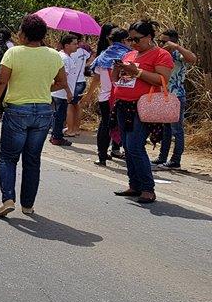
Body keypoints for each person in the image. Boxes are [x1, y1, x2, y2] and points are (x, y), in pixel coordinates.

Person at [0, 14, 68, 217]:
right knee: (32, 159)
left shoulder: (13, 53)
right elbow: (61, 82)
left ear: (23, 34)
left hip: (17, 110)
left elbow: (1, 81)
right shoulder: (54, 55)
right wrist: (43, 86)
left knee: (8, 157)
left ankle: (8, 199)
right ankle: (28, 205)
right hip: (43, 111)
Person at [112, 19, 173, 204]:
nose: (133, 43)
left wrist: (137, 72)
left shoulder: (161, 55)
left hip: (143, 106)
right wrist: (118, 69)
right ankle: (134, 184)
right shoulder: (130, 55)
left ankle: (148, 188)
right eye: (130, 40)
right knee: (128, 147)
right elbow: (117, 79)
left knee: (135, 147)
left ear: (149, 37)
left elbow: (162, 79)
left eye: (136, 39)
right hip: (123, 105)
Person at [153, 29, 197, 169]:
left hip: (176, 96)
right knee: (166, 128)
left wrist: (176, 47)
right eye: (160, 41)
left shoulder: (178, 54)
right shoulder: (160, 55)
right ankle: (162, 157)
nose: (161, 44)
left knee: (177, 129)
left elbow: (193, 59)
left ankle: (175, 160)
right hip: (163, 95)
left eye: (164, 41)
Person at [88, 26, 129, 166]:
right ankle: (130, 156)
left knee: (104, 126)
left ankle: (102, 157)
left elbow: (96, 76)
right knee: (126, 126)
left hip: (104, 97)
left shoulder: (103, 56)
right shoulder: (129, 55)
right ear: (124, 40)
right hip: (123, 96)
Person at [49, 34, 77, 146]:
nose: (77, 46)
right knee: (59, 116)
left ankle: (55, 135)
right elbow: (62, 78)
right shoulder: (64, 58)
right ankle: (57, 137)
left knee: (58, 115)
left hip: (60, 92)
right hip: (61, 93)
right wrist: (69, 92)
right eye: (74, 44)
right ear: (66, 45)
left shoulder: (64, 56)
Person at [65, 33, 92, 136]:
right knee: (77, 105)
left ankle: (70, 130)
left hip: (73, 82)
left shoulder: (72, 53)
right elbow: (90, 58)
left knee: (70, 105)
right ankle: (76, 129)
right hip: (82, 81)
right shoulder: (85, 52)